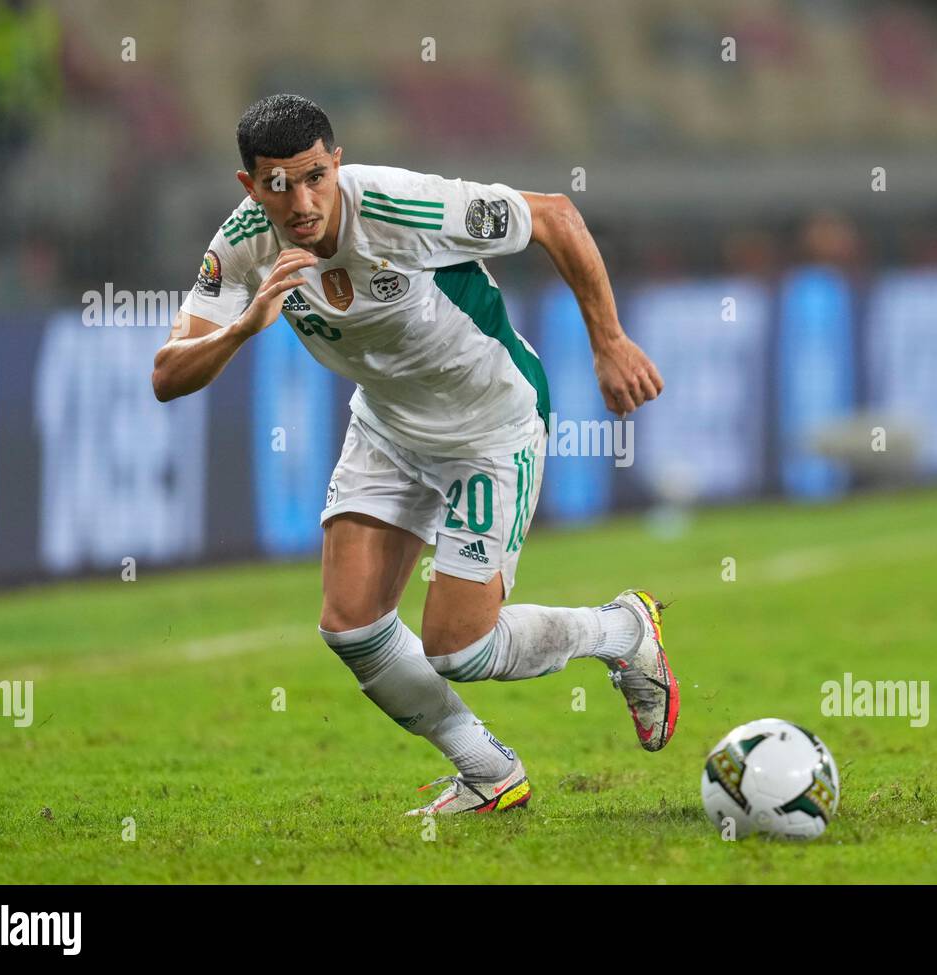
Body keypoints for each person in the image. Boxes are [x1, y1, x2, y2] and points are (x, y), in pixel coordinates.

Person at [152, 94, 678, 815]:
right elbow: (167, 374)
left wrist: (609, 341)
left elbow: (556, 214)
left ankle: (622, 630)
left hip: (491, 425)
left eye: (314, 176)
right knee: (351, 626)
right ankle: (489, 772)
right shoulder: (243, 243)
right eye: (278, 183)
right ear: (251, 186)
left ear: (336, 164)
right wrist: (242, 328)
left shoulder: (406, 207)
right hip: (389, 427)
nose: (300, 200)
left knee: (459, 649)